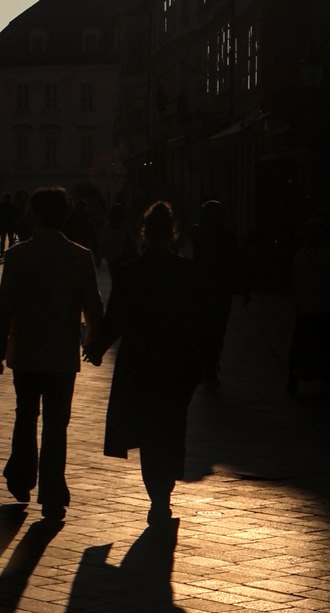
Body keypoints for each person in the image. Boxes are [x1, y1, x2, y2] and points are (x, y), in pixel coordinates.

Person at [0, 186, 103, 520]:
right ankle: (53, 491)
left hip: (25, 351)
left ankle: (22, 477)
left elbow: (4, 307)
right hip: (62, 354)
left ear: (36, 216)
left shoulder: (18, 255)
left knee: (26, 414)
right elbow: (93, 307)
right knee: (57, 423)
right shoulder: (80, 256)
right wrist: (94, 344)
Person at [88, 201, 203, 526]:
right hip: (174, 361)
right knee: (169, 429)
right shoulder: (186, 272)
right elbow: (199, 321)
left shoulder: (132, 272)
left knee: (147, 430)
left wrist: (97, 348)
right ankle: (163, 496)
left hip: (139, 361)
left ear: (144, 233)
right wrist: (204, 363)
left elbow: (117, 318)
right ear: (172, 234)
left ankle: (156, 497)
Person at [288, 218, 330, 395]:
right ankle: (327, 379)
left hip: (308, 309)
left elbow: (295, 283)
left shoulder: (301, 256)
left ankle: (298, 372)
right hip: (328, 308)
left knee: (305, 345)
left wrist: (298, 304)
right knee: (328, 346)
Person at [192, 200, 249, 386]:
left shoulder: (223, 236)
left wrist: (243, 287)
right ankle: (209, 364)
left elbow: (237, 263)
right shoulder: (200, 234)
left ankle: (211, 361)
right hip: (207, 288)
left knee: (217, 329)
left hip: (219, 289)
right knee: (208, 328)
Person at [64, 196, 99, 262]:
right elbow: (93, 238)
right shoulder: (88, 221)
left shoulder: (70, 220)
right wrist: (96, 254)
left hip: (72, 248)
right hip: (84, 248)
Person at [0, 192, 17, 259]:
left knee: (4, 239)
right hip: (9, 224)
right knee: (9, 239)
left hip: (4, 224)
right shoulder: (12, 206)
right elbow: (15, 216)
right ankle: (8, 252)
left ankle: (2, 252)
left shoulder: (2, 206)